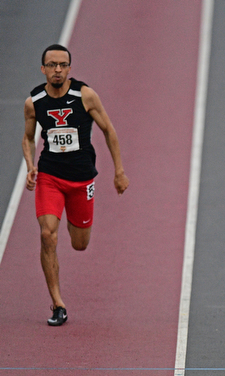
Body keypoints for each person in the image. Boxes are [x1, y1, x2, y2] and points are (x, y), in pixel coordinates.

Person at [22, 44, 129, 326]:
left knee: (80, 244)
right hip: (50, 177)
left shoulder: (85, 95)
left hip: (81, 179)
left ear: (69, 68)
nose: (57, 69)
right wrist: (30, 166)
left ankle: (71, 216)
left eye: (62, 65)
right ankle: (58, 304)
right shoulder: (34, 102)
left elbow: (109, 130)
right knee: (48, 235)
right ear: (43, 68)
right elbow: (28, 137)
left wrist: (119, 171)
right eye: (52, 65)